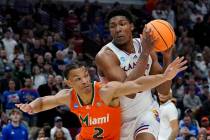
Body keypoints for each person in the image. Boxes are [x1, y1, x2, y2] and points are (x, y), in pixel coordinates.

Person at [16, 58, 186, 140]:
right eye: (78, 79)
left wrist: (164, 77)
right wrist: (32, 106)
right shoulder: (69, 97)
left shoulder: (105, 91)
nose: (84, 81)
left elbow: (138, 84)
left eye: (85, 76)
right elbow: (45, 101)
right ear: (69, 82)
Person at [95, 8, 173, 140]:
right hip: (117, 120)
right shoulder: (105, 56)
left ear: (131, 26)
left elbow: (163, 90)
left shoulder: (144, 46)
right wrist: (145, 53)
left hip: (146, 111)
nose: (118, 29)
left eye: (122, 24)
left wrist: (166, 57)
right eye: (112, 26)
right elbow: (129, 91)